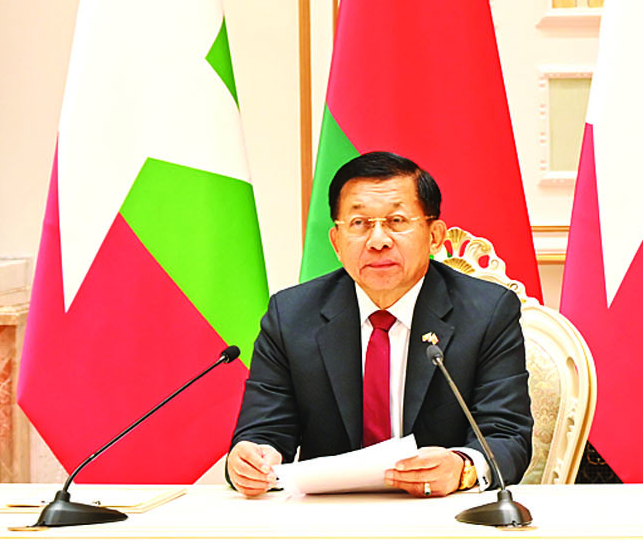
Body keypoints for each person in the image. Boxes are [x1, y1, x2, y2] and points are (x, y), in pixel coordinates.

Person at [227, 151, 533, 498]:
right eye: (359, 224)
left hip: (443, 512)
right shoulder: (292, 315)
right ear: (336, 242)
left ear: (434, 236)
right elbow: (264, 431)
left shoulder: (487, 312)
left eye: (397, 221)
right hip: (326, 516)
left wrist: (462, 467)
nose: (377, 241)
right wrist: (252, 460)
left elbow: (507, 436)